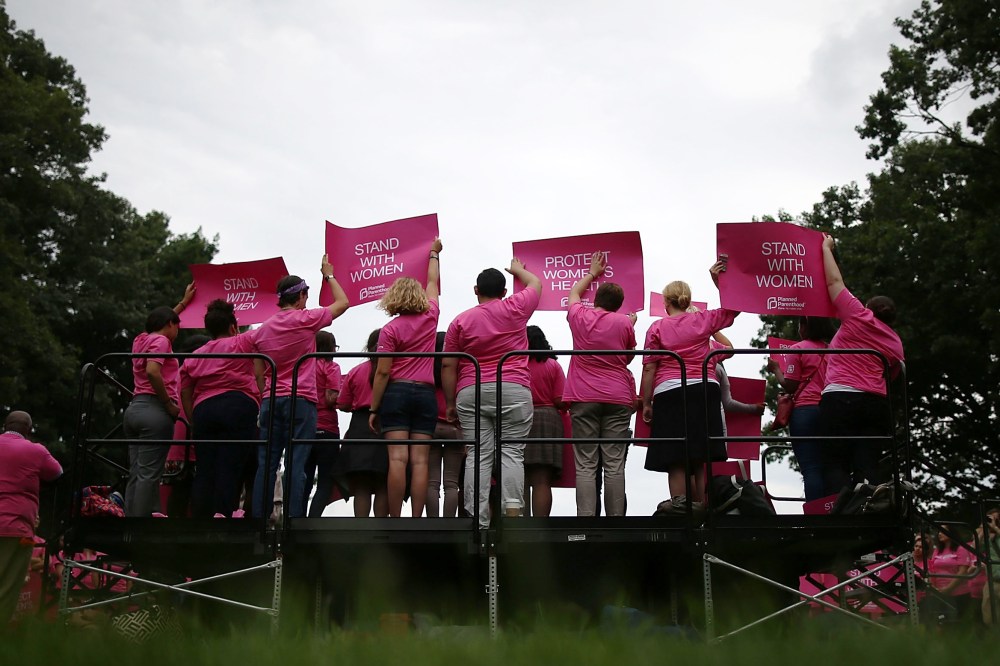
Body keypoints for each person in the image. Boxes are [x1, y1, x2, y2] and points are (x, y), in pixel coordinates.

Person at [443, 258, 542, 526]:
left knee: (478, 454)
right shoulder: (516, 306)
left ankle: (477, 517)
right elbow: (536, 283)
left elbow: (448, 364)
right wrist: (518, 269)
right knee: (512, 452)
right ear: (504, 292)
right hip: (513, 387)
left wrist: (450, 403)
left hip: (471, 389)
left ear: (476, 290)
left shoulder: (460, 321)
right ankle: (512, 513)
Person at [249, 255, 349, 520]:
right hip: (301, 401)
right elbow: (343, 303)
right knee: (297, 463)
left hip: (271, 400)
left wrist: (263, 392)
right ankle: (293, 521)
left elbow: (257, 366)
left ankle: (259, 519)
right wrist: (328, 274)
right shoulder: (306, 320)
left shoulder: (262, 330)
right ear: (302, 296)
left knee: (266, 464)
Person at [640, 260, 735, 510]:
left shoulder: (657, 327)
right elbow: (733, 309)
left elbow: (649, 367)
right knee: (701, 456)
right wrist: (719, 283)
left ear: (666, 302)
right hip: (705, 390)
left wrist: (646, 402)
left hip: (670, 392)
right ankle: (702, 505)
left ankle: (679, 505)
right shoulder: (703, 320)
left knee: (675, 456)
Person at [818, 235, 904, 494]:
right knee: (867, 462)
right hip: (876, 403)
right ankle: (867, 503)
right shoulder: (896, 342)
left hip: (840, 398)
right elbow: (892, 375)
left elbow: (834, 281)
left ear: (868, 308)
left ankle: (845, 511)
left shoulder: (857, 315)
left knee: (834, 462)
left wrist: (825, 249)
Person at [369, 239, 443, 518]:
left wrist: (375, 409)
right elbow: (433, 282)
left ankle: (395, 519)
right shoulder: (432, 316)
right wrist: (434, 254)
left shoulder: (389, 330)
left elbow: (383, 371)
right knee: (421, 461)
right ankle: (417, 518)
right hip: (426, 394)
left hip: (397, 393)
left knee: (397, 459)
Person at [563, 252, 637, 517]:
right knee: (615, 463)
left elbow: (573, 294)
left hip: (583, 396)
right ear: (618, 305)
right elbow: (628, 358)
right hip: (618, 398)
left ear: (595, 300)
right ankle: (616, 519)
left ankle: (585, 519)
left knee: (585, 463)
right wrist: (630, 324)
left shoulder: (579, 316)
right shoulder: (625, 322)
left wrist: (593, 273)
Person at [179, 300, 262, 518]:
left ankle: (199, 518)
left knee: (205, 469)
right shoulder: (242, 343)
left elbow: (185, 392)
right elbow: (261, 372)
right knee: (231, 466)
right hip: (238, 406)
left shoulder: (194, 356)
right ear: (233, 327)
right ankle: (222, 516)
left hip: (204, 409)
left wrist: (192, 419)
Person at [123, 284, 195, 516]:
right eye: (177, 325)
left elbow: (162, 323)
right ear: (169, 325)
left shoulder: (141, 339)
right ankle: (139, 528)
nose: (178, 330)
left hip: (135, 409)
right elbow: (154, 371)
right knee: (150, 474)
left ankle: (128, 521)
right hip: (155, 410)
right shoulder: (163, 342)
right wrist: (168, 404)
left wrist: (183, 303)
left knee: (137, 472)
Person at [1, 411, 62, 623]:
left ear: (4, 426)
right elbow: (57, 473)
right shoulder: (35, 450)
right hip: (19, 529)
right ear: (28, 430)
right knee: (8, 587)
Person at [766, 317, 834, 501]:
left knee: (811, 468)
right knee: (830, 466)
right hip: (829, 411)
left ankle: (814, 517)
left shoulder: (798, 348)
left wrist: (776, 369)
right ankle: (833, 513)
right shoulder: (833, 350)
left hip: (805, 411)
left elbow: (790, 385)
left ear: (805, 327)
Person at [335, 330, 389, 518]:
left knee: (361, 486)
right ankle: (381, 529)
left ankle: (361, 528)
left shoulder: (356, 371)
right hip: (386, 424)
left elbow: (342, 403)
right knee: (384, 483)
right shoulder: (393, 369)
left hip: (359, 425)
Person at [524, 325, 566, 518]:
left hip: (520, 417)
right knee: (542, 480)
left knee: (518, 476)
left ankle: (518, 523)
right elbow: (560, 399)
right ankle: (540, 524)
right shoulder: (553, 365)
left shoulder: (516, 363)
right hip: (548, 419)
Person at [306, 331, 344, 518]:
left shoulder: (302, 366)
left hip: (304, 428)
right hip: (327, 428)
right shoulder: (331, 367)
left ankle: (295, 518)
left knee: (303, 478)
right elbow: (331, 398)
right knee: (325, 482)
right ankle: (312, 520)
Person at [426, 332, 464, 518]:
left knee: (431, 482)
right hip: (454, 429)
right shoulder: (457, 373)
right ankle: (449, 522)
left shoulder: (427, 372)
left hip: (430, 428)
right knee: (451, 482)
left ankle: (432, 521)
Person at [927, 528, 974, 625]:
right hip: (940, 594)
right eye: (939, 531)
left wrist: (948, 588)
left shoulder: (961, 549)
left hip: (959, 594)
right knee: (941, 623)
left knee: (960, 625)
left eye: (943, 531)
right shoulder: (937, 551)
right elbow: (932, 570)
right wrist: (933, 588)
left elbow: (962, 572)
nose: (940, 533)